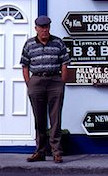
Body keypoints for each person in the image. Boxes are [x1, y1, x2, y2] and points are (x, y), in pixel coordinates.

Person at [20, 15, 70, 163]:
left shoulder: (58, 43)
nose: (44, 30)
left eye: (47, 27)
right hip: (36, 81)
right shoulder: (29, 44)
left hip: (55, 81)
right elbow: (25, 65)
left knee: (55, 118)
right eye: (41, 27)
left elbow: (65, 63)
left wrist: (62, 82)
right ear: (36, 28)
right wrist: (29, 83)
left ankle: (56, 152)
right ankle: (40, 151)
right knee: (39, 118)